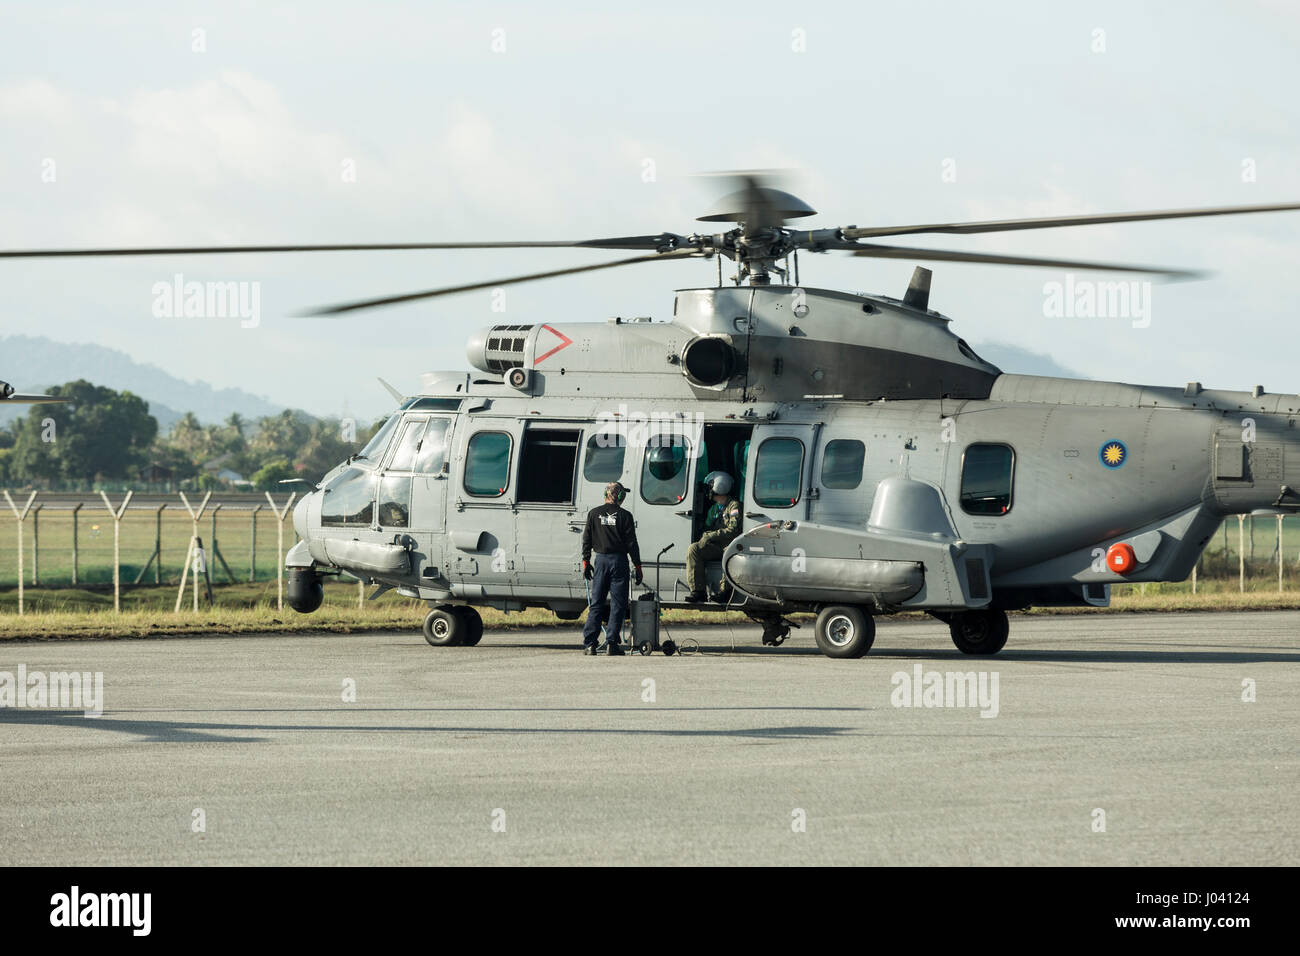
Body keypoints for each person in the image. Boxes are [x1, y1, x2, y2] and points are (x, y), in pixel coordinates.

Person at [581, 481, 643, 655]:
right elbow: (632, 543)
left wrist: (586, 562)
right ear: (621, 497)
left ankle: (590, 644)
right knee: (618, 604)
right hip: (619, 562)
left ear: (605, 494)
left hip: (600, 561)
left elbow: (586, 539)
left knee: (596, 603)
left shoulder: (593, 514)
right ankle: (611, 644)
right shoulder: (625, 516)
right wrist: (638, 565)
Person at [685, 471, 741, 603]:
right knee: (694, 549)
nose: (708, 491)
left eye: (710, 487)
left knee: (729, 552)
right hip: (716, 546)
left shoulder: (734, 506)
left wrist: (711, 535)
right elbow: (707, 527)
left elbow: (733, 530)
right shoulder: (713, 509)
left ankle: (724, 591)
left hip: (730, 545)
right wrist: (705, 536)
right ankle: (698, 591)